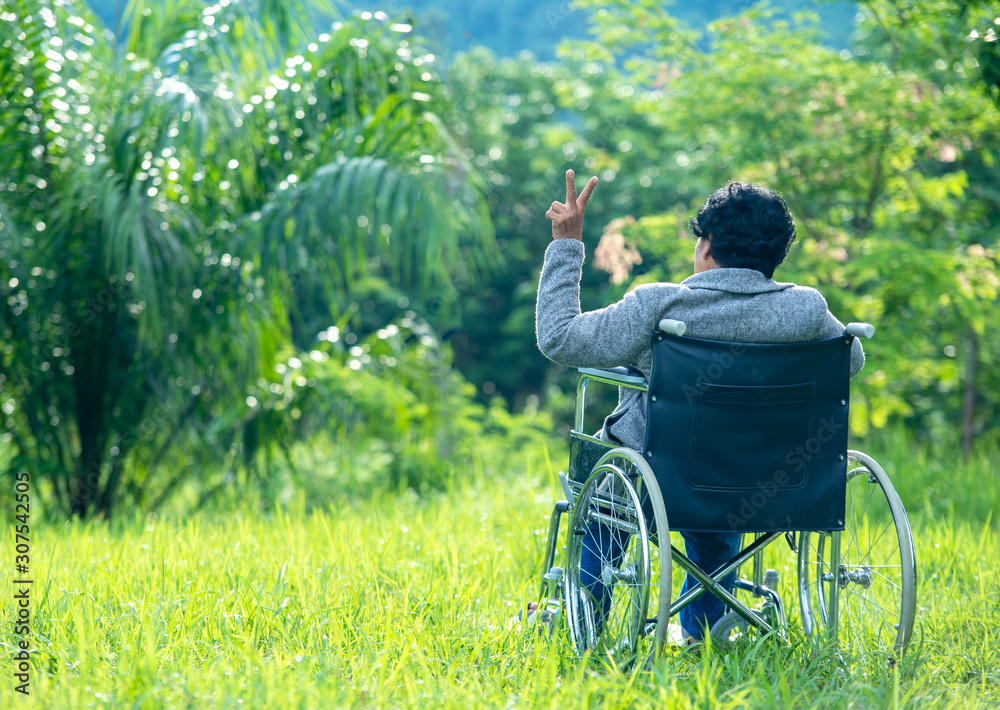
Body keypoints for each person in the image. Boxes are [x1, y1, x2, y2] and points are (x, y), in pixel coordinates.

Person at [535, 170, 864, 646]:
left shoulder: (660, 305)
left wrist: (567, 243)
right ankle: (706, 626)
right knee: (721, 482)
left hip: (663, 480)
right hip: (773, 483)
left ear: (706, 245)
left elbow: (559, 337)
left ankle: (585, 617)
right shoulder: (809, 311)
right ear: (777, 254)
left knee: (614, 492)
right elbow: (848, 360)